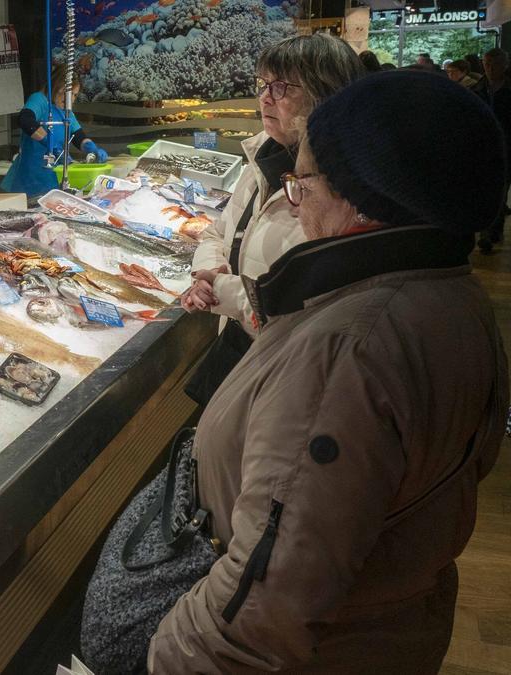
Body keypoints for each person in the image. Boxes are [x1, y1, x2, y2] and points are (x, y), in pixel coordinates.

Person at [150, 70, 507, 673]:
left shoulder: (349, 350)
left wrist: (170, 655)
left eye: (303, 181)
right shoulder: (449, 289)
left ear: (363, 198)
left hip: (327, 649)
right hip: (386, 625)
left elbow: (261, 608)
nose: (295, 197)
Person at [179, 34, 363, 404]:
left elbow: (315, 307)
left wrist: (220, 291)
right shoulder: (263, 157)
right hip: (242, 354)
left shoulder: (341, 190)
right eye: (264, 85)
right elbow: (218, 230)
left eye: (282, 87)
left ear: (326, 95)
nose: (265, 97)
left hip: (292, 378)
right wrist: (207, 271)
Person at [1, 63, 109, 197]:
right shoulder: (39, 100)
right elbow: (25, 120)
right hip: (30, 179)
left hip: (53, 180)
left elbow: (78, 136)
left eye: (74, 95)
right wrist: (49, 144)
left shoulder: (66, 110)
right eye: (66, 92)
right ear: (55, 85)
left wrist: (91, 148)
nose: (70, 99)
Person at [476, 48, 511, 253]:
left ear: (504, 65)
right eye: (487, 64)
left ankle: (491, 230)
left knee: (499, 190)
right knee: (486, 191)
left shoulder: (483, 89)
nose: (489, 68)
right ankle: (487, 232)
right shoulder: (478, 89)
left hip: (505, 149)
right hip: (483, 149)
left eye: (494, 64)